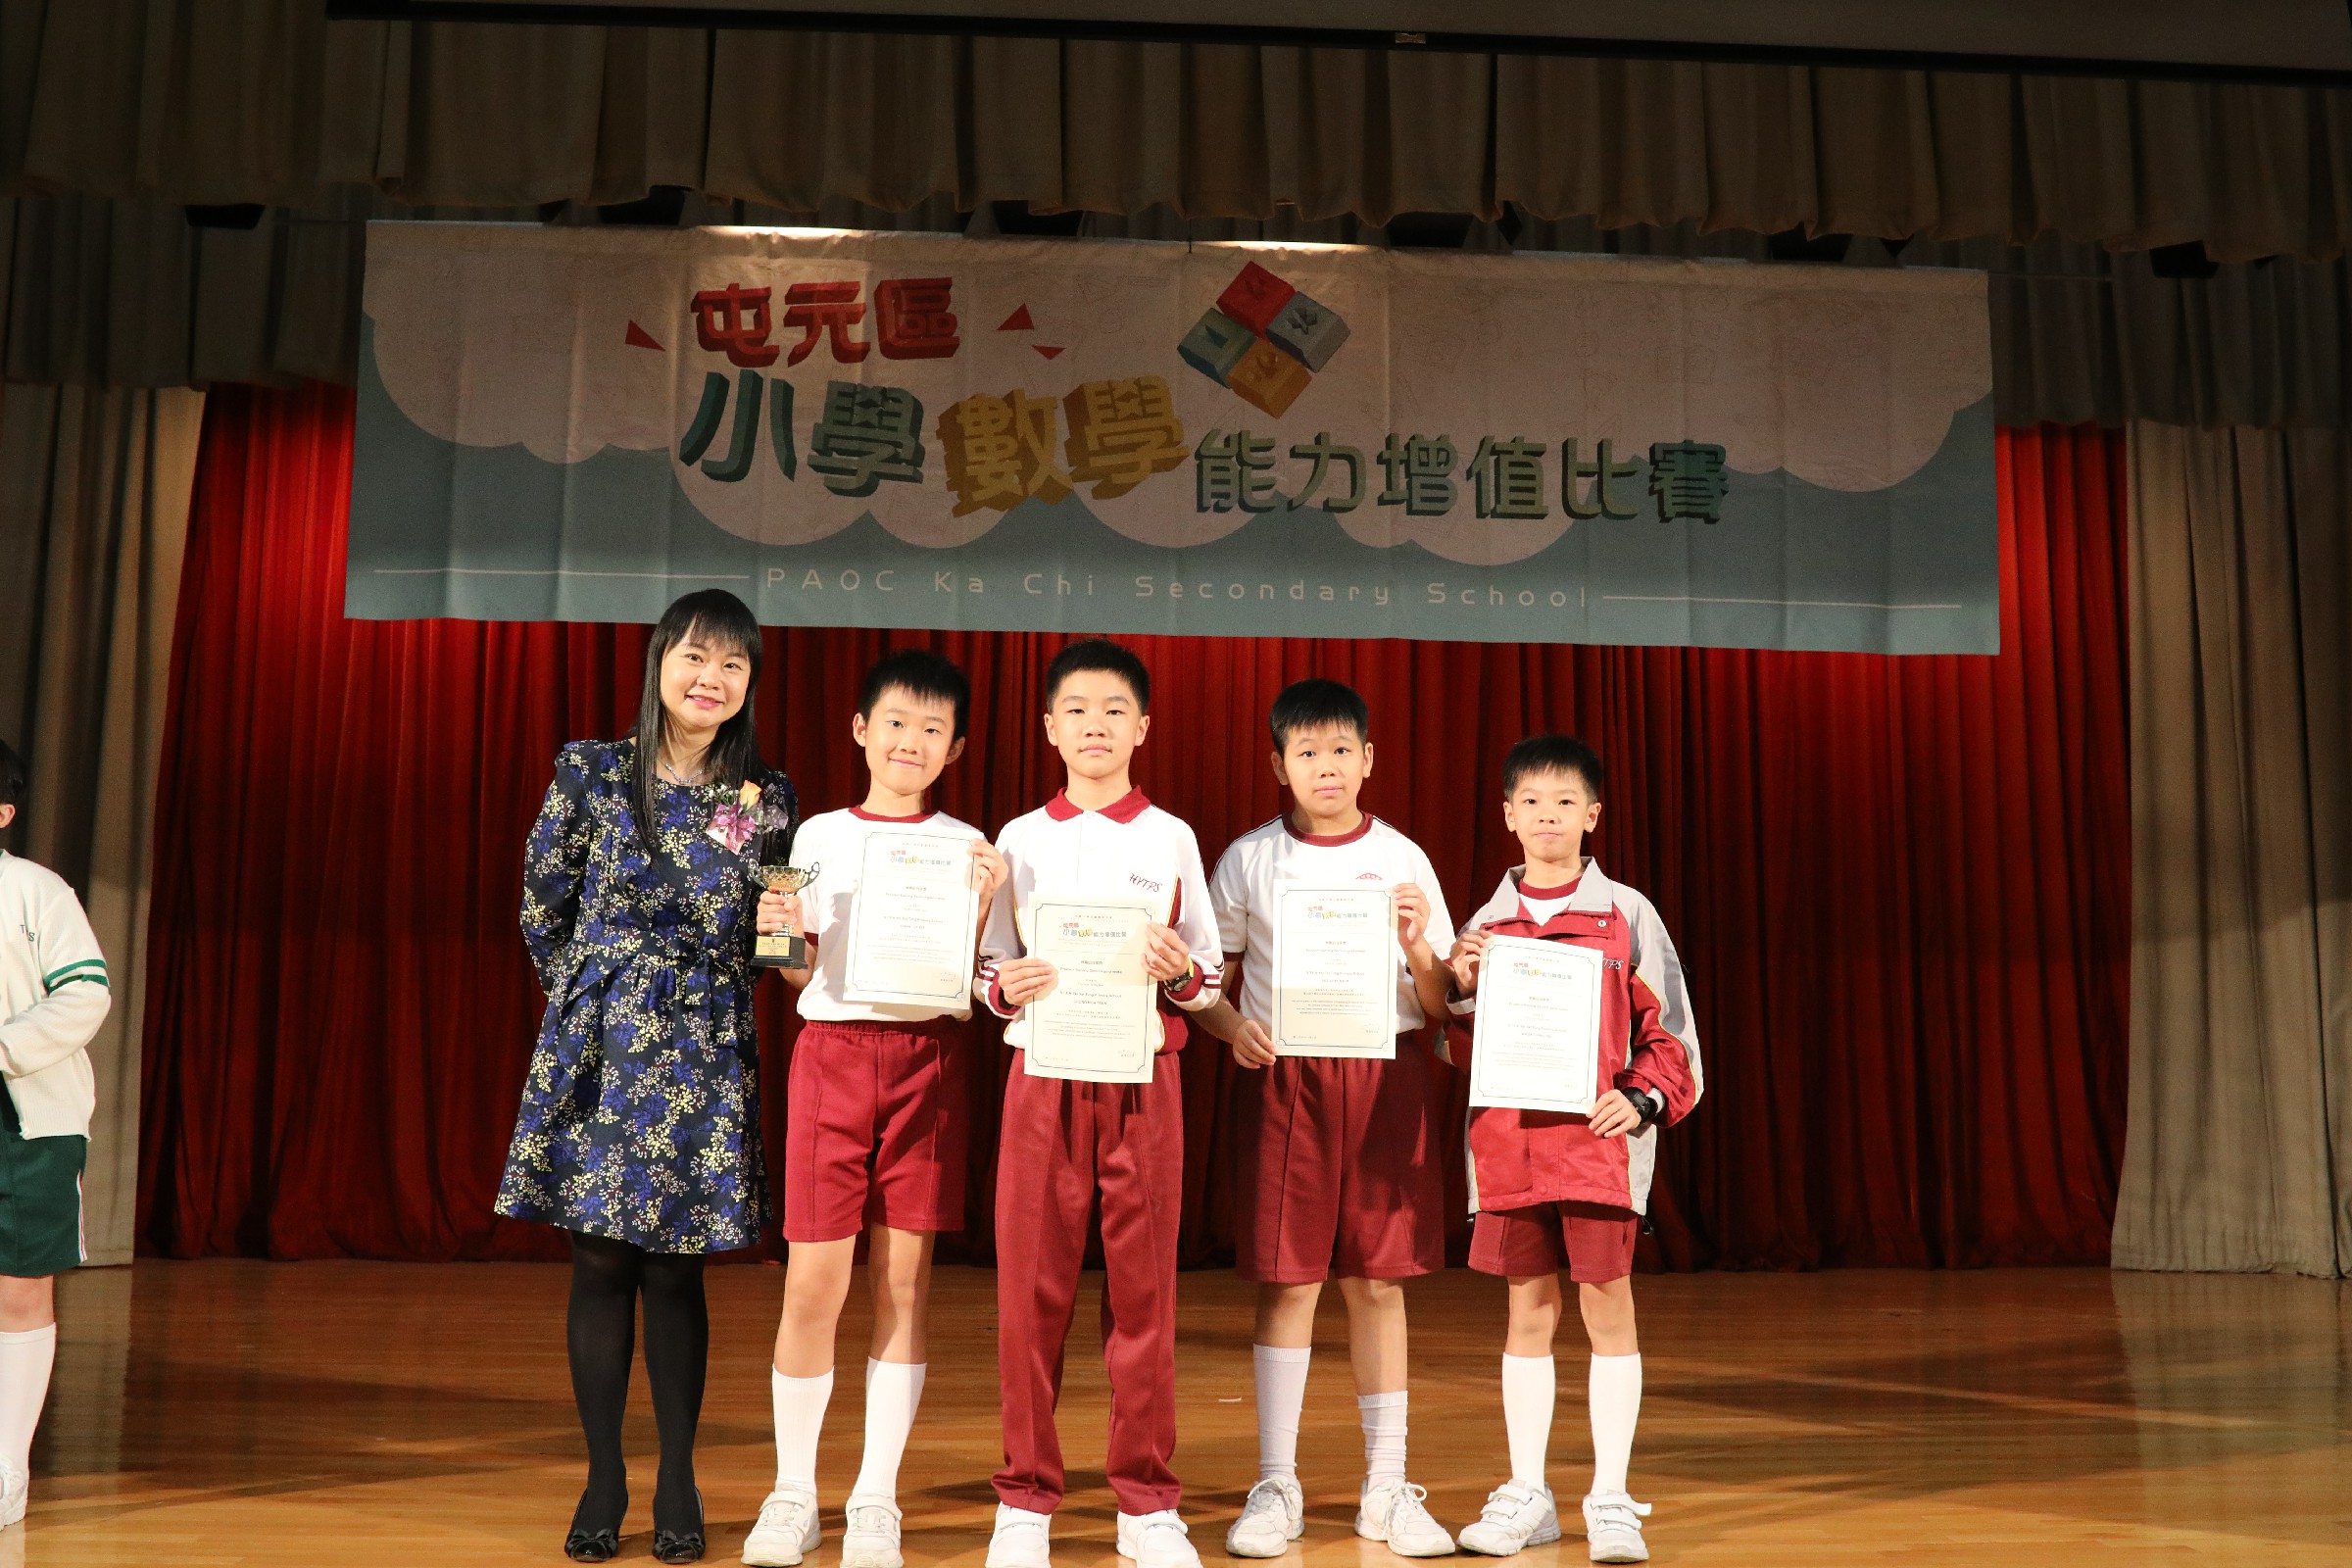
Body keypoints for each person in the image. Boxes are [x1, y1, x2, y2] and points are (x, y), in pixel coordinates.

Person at [495, 590, 797, 1566]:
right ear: (660, 661)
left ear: (749, 684)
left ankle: (675, 1476)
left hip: (703, 1048)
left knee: (674, 1270)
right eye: (694, 657)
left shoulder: (759, 798)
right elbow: (542, 905)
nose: (711, 678)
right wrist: (599, 996)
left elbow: (769, 935)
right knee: (598, 1263)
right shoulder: (589, 771)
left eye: (732, 664)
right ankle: (603, 1475)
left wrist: (705, 990)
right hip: (598, 1047)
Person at [742, 649, 1006, 1568]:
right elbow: (797, 971)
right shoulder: (816, 835)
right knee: (813, 1281)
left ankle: (875, 1498)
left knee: (904, 1283)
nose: (910, 741)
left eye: (933, 729)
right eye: (895, 722)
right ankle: (791, 1493)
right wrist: (776, 931)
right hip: (833, 1059)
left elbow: (980, 977)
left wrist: (984, 908)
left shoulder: (973, 848)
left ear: (955, 747)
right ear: (861, 729)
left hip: (930, 1061)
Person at [1191, 679, 1458, 1558]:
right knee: (1289, 1280)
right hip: (1287, 1082)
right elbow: (1209, 983)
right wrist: (1231, 1030)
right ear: (1279, 765)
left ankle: (1387, 1486)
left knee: (1379, 1280)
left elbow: (1441, 1003)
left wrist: (1418, 946)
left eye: (1342, 749)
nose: (1326, 766)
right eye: (1306, 752)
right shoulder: (1248, 860)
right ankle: (1277, 1483)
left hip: (1386, 1076)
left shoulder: (1404, 858)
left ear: (1369, 759)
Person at [975, 638, 1223, 1568]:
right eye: (1076, 709)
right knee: (1028, 1298)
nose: (1095, 725)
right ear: (1049, 727)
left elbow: (1207, 971)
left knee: (1145, 1297)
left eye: (1114, 710)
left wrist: (1181, 972)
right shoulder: (1016, 839)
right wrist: (1005, 987)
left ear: (1143, 727)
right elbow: (987, 968)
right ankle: (1025, 1500)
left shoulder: (1171, 837)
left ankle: (1147, 1503)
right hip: (1043, 1083)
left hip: (1142, 1084)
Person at [1441, 736, 1701, 1565]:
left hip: (1596, 1150)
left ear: (1593, 814)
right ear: (1507, 814)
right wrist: (1458, 989)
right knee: (1527, 1312)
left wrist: (1643, 1098)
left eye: (1564, 802)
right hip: (1511, 1150)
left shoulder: (1628, 914)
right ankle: (1529, 1493)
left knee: (1607, 1307)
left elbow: (1672, 1035)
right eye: (1531, 801)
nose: (1547, 816)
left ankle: (1612, 1498)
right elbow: (1457, 1049)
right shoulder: (1484, 927)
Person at [0, 739, 111, 1531]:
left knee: (17, 1288)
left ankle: (6, 1468)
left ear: (3, 812)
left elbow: (84, 994)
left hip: (26, 1120)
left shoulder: (36, 892)